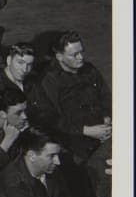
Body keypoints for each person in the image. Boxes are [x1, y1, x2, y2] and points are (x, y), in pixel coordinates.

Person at [30, 31, 111, 165]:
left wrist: (107, 118)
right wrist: (86, 130)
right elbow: (50, 119)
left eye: (81, 52)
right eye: (74, 55)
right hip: (74, 145)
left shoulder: (90, 70)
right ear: (59, 56)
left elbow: (106, 97)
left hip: (103, 135)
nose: (80, 57)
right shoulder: (49, 81)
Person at [0, 42, 36, 107]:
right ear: (9, 60)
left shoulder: (32, 80)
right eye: (20, 62)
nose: (25, 69)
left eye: (29, 64)